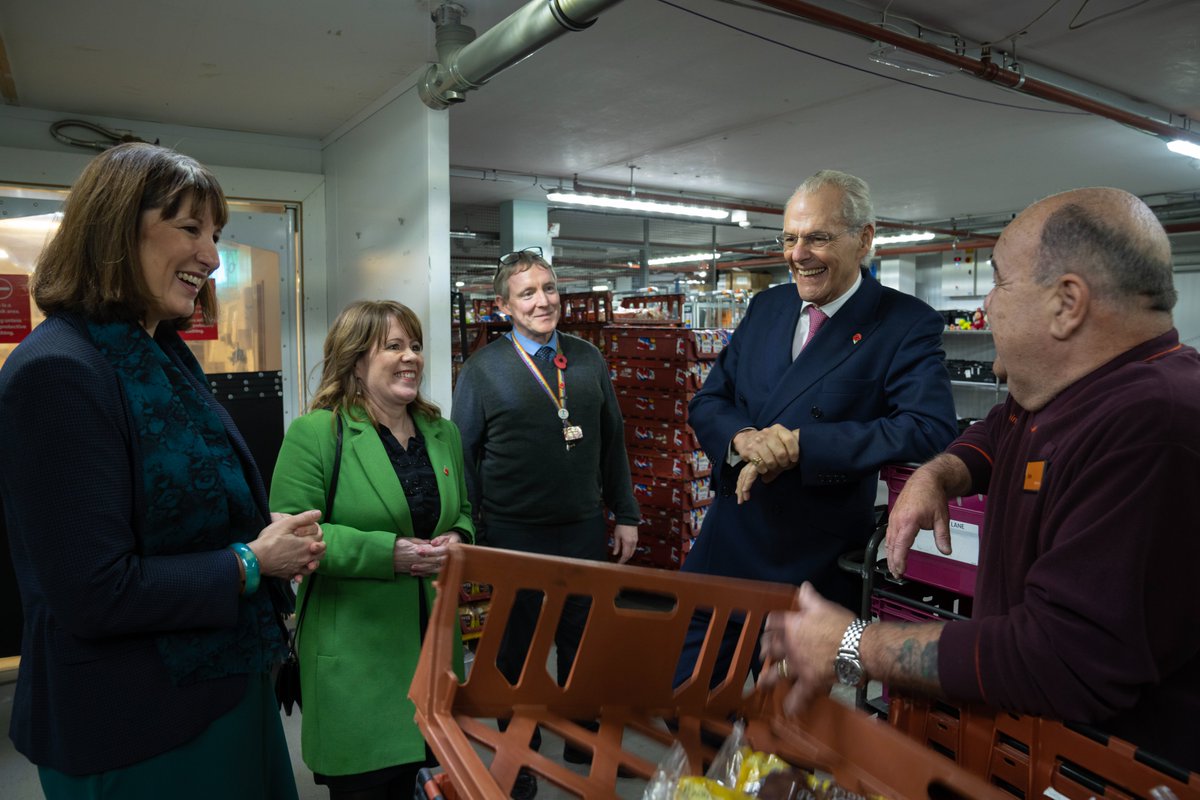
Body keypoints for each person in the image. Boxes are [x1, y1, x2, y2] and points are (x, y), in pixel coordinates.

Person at [758, 187, 1200, 773]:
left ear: (1067, 303)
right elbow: (998, 427)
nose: (986, 305)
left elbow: (1059, 657)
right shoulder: (1063, 384)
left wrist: (851, 643)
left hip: (1113, 770)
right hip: (1041, 749)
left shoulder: (1152, 424)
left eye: (999, 282)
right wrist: (941, 473)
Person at [0, 142, 325, 798]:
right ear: (117, 229)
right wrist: (252, 562)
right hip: (135, 725)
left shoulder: (164, 357)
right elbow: (93, 592)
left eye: (216, 235)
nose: (210, 256)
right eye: (189, 229)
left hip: (220, 690)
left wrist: (263, 533)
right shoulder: (57, 372)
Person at [675, 170, 957, 684]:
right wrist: (745, 438)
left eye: (818, 238)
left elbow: (927, 427)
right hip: (727, 541)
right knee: (684, 695)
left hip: (808, 562)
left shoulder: (904, 323)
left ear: (865, 239)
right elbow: (710, 398)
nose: (798, 254)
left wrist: (804, 445)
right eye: (789, 238)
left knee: (778, 730)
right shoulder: (767, 307)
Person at [451, 246, 640, 797]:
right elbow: (463, 455)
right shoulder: (484, 369)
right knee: (518, 651)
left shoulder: (586, 358)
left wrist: (624, 513)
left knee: (584, 643)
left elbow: (613, 441)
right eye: (527, 293)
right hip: (514, 534)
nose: (542, 301)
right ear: (503, 305)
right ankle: (521, 754)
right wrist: (474, 532)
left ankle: (585, 740)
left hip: (582, 528)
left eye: (549, 288)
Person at [270, 300, 475, 799]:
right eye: (395, 346)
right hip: (358, 661)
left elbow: (464, 511)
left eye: (416, 346)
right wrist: (391, 554)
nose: (412, 358)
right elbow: (292, 534)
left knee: (430, 784)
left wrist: (459, 538)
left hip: (434, 655)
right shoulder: (318, 433)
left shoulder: (440, 431)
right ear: (356, 360)